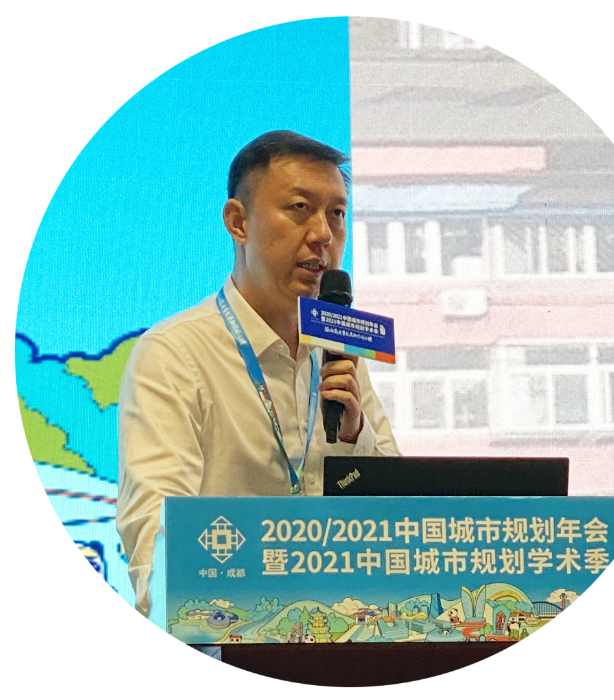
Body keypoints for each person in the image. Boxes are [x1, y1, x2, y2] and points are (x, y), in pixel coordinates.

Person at [116, 131, 401, 622]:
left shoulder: (340, 352)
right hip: (226, 633)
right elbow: (156, 531)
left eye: (337, 213)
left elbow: (405, 526)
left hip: (341, 631)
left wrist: (356, 437)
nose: (323, 234)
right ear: (238, 222)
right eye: (299, 208)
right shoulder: (175, 354)